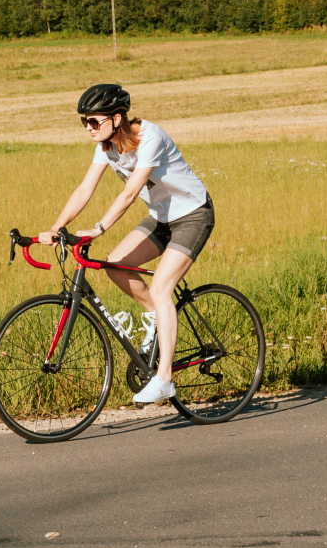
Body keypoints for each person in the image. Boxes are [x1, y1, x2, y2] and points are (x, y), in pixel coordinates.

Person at [40, 83, 214, 405]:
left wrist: (98, 228)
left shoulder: (151, 137)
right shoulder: (106, 147)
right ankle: (156, 319)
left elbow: (130, 193)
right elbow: (85, 189)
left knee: (161, 287)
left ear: (117, 118)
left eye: (94, 121)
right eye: (84, 122)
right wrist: (55, 227)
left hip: (192, 216)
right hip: (161, 218)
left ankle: (164, 379)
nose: (88, 128)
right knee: (116, 266)